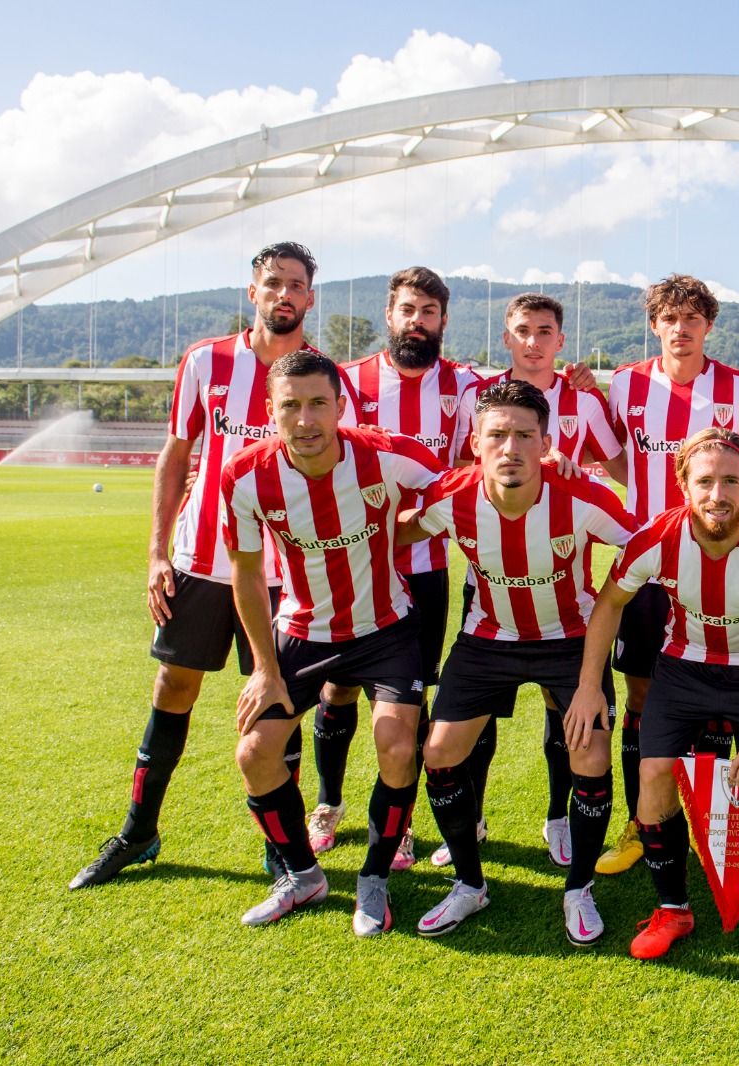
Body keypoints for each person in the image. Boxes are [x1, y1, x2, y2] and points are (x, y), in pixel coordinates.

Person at [69, 242, 351, 890]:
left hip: (284, 572)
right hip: (201, 560)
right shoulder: (206, 361)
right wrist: (155, 554)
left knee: (278, 703)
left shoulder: (321, 375)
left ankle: (280, 847)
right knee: (174, 688)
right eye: (273, 282)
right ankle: (140, 830)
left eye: (297, 285)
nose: (284, 294)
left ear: (310, 298)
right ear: (251, 292)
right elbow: (176, 455)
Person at [569, 428, 739, 967]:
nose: (717, 494)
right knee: (655, 773)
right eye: (704, 481)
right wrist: (590, 684)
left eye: (731, 480)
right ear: (683, 484)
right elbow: (609, 603)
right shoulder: (655, 539)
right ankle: (673, 908)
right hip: (684, 670)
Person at [404, 379, 635, 943]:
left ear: (546, 442)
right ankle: (468, 884)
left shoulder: (581, 496)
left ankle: (578, 888)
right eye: (498, 436)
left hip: (571, 638)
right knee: (438, 752)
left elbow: (642, 546)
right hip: (487, 639)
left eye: (525, 436)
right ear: (476, 442)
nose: (511, 448)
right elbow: (400, 530)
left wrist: (604, 620)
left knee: (591, 748)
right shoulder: (453, 496)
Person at [222, 349, 442, 931]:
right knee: (255, 753)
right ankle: (302, 875)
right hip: (301, 632)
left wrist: (410, 524)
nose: (306, 419)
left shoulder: (387, 455)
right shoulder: (245, 473)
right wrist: (264, 669)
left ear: (341, 406)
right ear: (270, 412)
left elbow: (461, 493)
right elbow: (246, 572)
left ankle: (373, 878)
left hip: (386, 626)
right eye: (290, 405)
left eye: (319, 403)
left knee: (396, 744)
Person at [597, 274, 739, 875]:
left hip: (725, 563)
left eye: (693, 319)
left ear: (708, 326)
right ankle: (643, 820)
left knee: (730, 684)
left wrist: (722, 492)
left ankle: (732, 818)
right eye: (669, 319)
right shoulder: (628, 382)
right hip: (649, 563)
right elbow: (613, 456)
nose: (680, 330)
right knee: (643, 694)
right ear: (654, 325)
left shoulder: (736, 387)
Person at [448, 293, 626, 869]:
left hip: (564, 578)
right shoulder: (480, 396)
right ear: (506, 337)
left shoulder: (580, 396)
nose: (532, 340)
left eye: (544, 331)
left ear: (560, 340)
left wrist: (580, 467)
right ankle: (469, 820)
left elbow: (623, 466)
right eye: (522, 330)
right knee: (476, 714)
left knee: (565, 714)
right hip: (494, 582)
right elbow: (460, 465)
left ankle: (559, 817)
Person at [310, 267, 479, 872]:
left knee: (409, 699)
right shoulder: (350, 382)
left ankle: (398, 824)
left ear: (442, 321)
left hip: (428, 562)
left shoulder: (465, 387)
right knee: (339, 685)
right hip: (357, 562)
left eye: (429, 312)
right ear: (390, 315)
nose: (417, 321)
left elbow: (510, 420)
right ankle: (329, 803)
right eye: (408, 309)